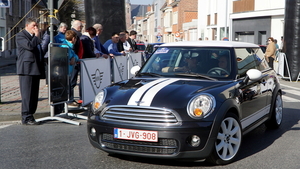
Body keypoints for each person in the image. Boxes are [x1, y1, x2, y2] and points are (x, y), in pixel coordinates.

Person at [16, 17, 44, 125]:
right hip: (26, 69)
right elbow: (30, 46)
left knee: (34, 94)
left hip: (35, 68)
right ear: (27, 26)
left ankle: (31, 115)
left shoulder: (34, 37)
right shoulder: (21, 35)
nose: (36, 28)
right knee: (27, 94)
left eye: (37, 26)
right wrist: (37, 35)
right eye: (34, 26)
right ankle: (26, 116)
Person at [69, 20, 84, 107]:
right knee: (72, 81)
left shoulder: (77, 34)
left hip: (76, 60)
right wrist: (74, 58)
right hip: (73, 61)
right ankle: (70, 99)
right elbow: (73, 48)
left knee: (73, 81)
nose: (81, 28)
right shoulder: (74, 34)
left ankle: (71, 99)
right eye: (81, 26)